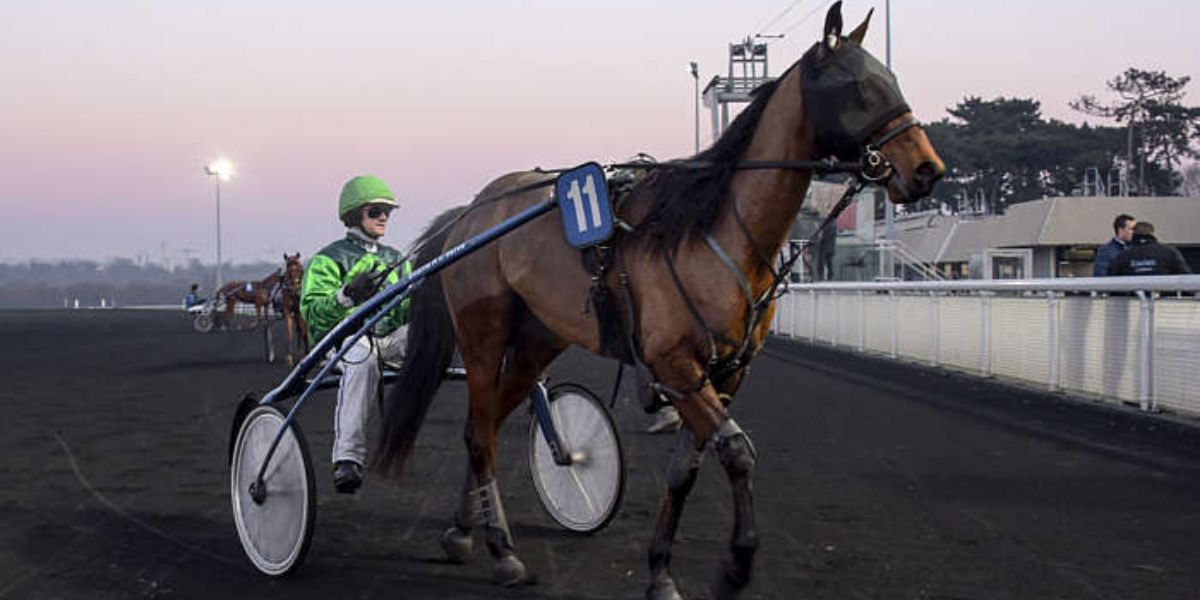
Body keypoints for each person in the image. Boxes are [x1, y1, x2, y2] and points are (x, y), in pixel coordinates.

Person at [300, 174, 413, 494]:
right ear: (353, 215)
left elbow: (405, 312)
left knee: (434, 334)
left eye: (388, 211)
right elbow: (312, 314)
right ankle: (347, 458)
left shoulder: (396, 259)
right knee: (363, 359)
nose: (384, 217)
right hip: (344, 341)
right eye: (376, 210)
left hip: (387, 340)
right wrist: (346, 296)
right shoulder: (328, 259)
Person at [1109, 222, 1192, 276]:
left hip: (1133, 297)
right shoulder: (1169, 252)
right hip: (1164, 297)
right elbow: (1185, 277)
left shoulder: (1122, 256)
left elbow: (1114, 282)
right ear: (1152, 233)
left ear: (1134, 234)